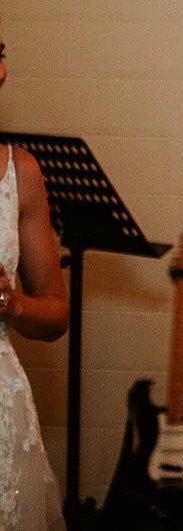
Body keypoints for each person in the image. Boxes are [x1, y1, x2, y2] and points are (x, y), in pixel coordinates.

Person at [0, 26, 70, 530]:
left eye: (0, 56)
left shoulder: (20, 171)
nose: (1, 73)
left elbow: (56, 312)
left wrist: (13, 304)